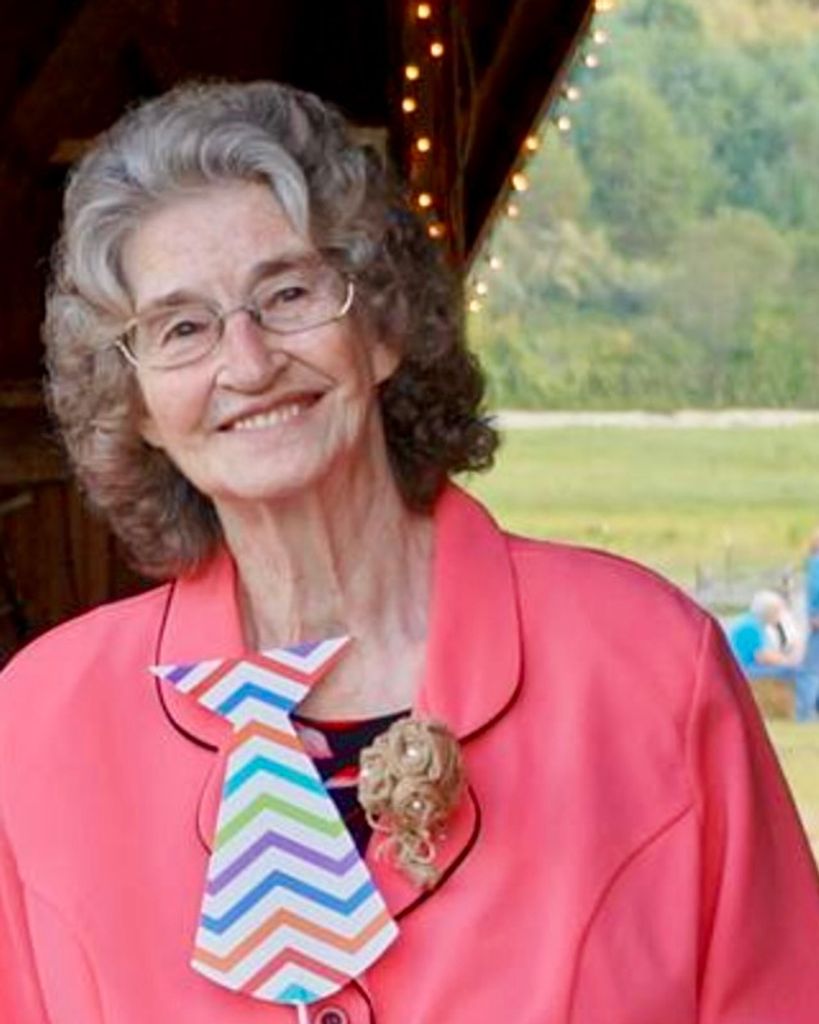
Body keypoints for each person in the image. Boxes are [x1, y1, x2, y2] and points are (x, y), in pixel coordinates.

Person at [1, 82, 818, 1024]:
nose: (248, 362)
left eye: (289, 293)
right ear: (137, 403)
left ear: (381, 325)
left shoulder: (650, 669)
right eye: (181, 328)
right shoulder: (37, 727)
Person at [728, 589, 801, 675]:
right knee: (792, 671)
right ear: (770, 612)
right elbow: (762, 657)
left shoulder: (753, 621)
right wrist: (788, 662)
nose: (780, 617)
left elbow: (766, 652)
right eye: (778, 612)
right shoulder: (751, 627)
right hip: (744, 670)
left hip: (745, 667)